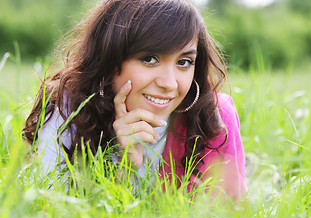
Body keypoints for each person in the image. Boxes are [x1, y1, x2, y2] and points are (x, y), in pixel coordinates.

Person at [23, 0, 246, 202]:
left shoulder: (214, 115)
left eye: (185, 62)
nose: (170, 83)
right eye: (149, 59)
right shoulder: (69, 108)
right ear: (110, 59)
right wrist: (123, 167)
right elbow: (48, 213)